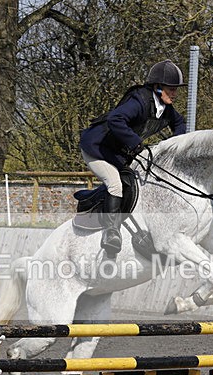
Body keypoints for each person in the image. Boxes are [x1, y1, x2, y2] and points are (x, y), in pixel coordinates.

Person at [79, 59, 187, 257]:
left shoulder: (166, 109)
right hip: (97, 149)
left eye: (176, 89)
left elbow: (180, 124)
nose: (174, 93)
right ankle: (111, 233)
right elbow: (115, 119)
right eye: (171, 89)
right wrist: (136, 144)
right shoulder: (139, 101)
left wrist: (174, 148)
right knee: (115, 184)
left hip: (118, 152)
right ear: (157, 87)